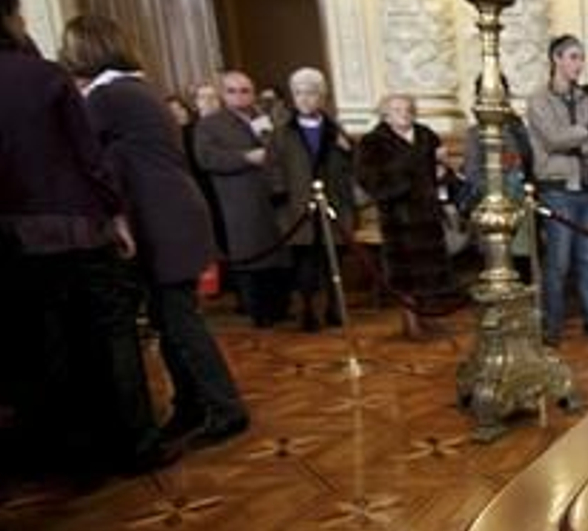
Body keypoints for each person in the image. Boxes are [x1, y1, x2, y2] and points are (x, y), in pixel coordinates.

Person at [0, 0, 173, 477]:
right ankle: (136, 446)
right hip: (77, 228)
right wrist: (116, 216)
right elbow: (88, 159)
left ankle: (65, 458)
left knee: (37, 348)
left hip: (11, 245)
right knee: (110, 338)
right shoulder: (42, 77)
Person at [58, 14, 248, 447]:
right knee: (170, 317)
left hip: (163, 218)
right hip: (175, 211)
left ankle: (225, 408)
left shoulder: (108, 97)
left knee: (180, 321)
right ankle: (192, 405)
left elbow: (85, 157)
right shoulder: (136, 90)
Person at [527, 34, 588, 344]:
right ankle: (552, 326)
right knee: (559, 263)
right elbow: (552, 139)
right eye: (574, 57)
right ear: (557, 59)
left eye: (582, 57)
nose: (580, 63)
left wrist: (576, 140)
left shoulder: (586, 99)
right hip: (558, 190)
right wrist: (585, 133)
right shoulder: (539, 99)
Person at [356, 93, 458, 339]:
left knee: (429, 273)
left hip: (428, 214)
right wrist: (408, 173)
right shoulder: (373, 142)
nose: (404, 112)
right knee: (405, 275)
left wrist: (442, 168)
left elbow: (440, 174)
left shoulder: (425, 135)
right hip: (398, 216)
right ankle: (410, 324)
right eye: (396, 108)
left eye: (407, 108)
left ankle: (425, 319)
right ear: (385, 114)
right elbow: (368, 179)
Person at [194, 70, 290, 327]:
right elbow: (206, 158)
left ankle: (280, 307)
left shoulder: (264, 118)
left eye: (245, 90)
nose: (239, 96)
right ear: (223, 95)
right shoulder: (210, 124)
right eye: (232, 91)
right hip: (239, 197)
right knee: (250, 255)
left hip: (274, 197)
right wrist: (245, 157)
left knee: (276, 255)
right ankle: (258, 312)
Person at [268, 66, 355, 332]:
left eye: (311, 93)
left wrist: (348, 150)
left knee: (334, 262)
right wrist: (281, 196)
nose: (305, 99)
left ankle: (334, 308)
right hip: (298, 209)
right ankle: (307, 310)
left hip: (333, 206)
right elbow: (273, 167)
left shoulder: (334, 130)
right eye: (299, 93)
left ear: (322, 97)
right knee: (306, 265)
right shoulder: (282, 133)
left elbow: (350, 166)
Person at [462, 74, 536, 281]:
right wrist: (495, 192)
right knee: (497, 261)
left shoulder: (517, 129)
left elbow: (529, 162)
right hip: (492, 206)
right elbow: (472, 174)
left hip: (521, 204)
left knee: (524, 260)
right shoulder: (474, 133)